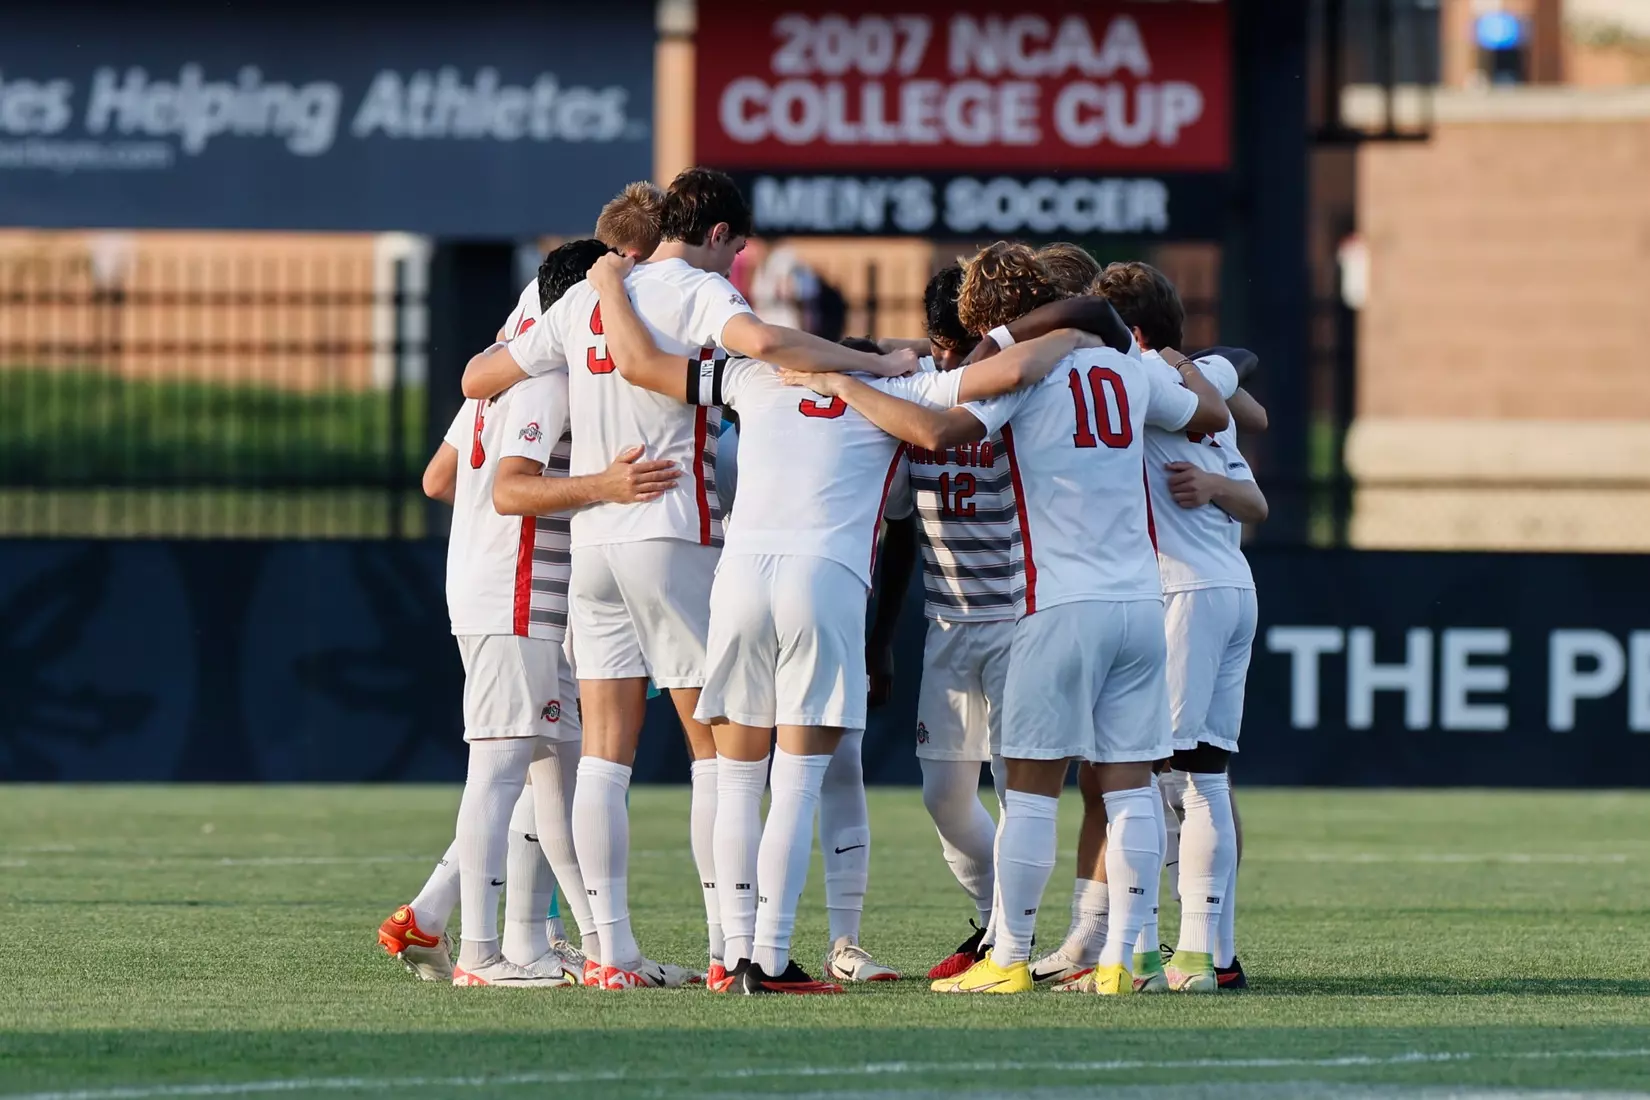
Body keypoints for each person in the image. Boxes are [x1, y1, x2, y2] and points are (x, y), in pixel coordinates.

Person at [592, 243, 1108, 993]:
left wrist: (609, 281)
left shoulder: (754, 373)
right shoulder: (913, 391)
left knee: (735, 779)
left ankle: (729, 957)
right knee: (802, 780)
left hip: (738, 577)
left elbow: (640, 364)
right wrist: (1061, 332)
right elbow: (996, 385)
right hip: (824, 580)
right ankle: (772, 959)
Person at [459, 167, 914, 990]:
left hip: (593, 540)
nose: (736, 268)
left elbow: (478, 378)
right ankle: (728, 946)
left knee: (605, 753)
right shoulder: (697, 290)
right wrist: (866, 361)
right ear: (715, 237)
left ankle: (608, 953)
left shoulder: (595, 293)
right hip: (673, 524)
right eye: (737, 252)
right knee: (723, 751)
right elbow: (768, 347)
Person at [785, 241, 1230, 995]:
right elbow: (1209, 414)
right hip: (1139, 603)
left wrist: (842, 382)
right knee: (1128, 788)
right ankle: (1132, 958)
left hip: (1055, 603)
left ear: (988, 317)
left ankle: (1008, 956)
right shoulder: (1127, 365)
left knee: (1026, 791)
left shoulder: (1024, 371)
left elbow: (934, 430)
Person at [377, 238, 683, 988]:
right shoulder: (545, 381)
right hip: (513, 592)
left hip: (512, 589)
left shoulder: (510, 368)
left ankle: (564, 949)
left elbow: (441, 475)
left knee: (553, 776)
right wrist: (599, 489)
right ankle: (481, 958)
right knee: (503, 768)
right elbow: (511, 488)